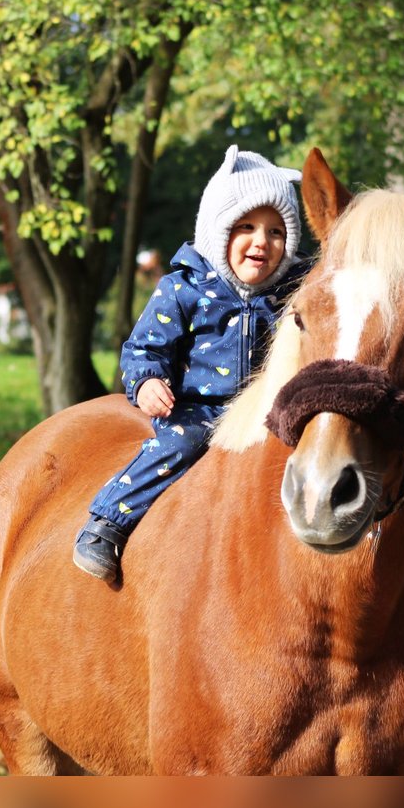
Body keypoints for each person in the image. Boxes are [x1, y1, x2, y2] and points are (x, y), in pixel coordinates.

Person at [73, 145, 307, 584]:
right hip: (201, 411)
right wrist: (145, 382)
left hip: (269, 410)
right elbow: (144, 348)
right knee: (177, 447)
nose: (262, 241)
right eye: (247, 227)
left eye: (277, 232)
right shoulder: (185, 287)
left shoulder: (293, 292)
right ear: (218, 231)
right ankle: (108, 520)